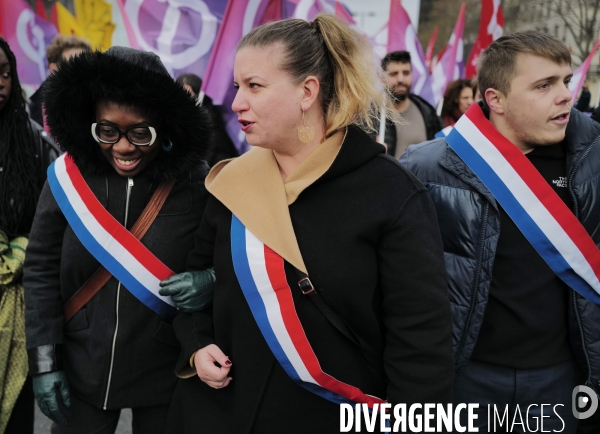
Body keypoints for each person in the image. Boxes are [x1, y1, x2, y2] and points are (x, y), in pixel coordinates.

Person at [164, 14, 453, 434]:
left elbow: (421, 342)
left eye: (254, 86)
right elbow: (194, 293)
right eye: (237, 86)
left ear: (307, 92)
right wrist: (196, 346)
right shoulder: (232, 181)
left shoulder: (392, 193)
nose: (237, 102)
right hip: (219, 413)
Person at [401, 31, 600, 433]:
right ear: (496, 100)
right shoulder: (425, 167)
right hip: (465, 376)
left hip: (564, 378)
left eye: (565, 80)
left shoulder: (592, 158)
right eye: (544, 85)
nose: (565, 95)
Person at [23, 47, 215, 434]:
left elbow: (226, 255)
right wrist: (45, 364)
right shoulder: (66, 178)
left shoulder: (196, 180)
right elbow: (40, 269)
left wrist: (212, 280)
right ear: (90, 122)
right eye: (107, 130)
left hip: (164, 371)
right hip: (81, 368)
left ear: (164, 127)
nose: (124, 147)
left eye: (140, 132)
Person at [0, 37, 60, 434]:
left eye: (5, 73)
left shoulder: (36, 144)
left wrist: (20, 249)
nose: (0, 83)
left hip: (16, 314)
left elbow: (51, 226)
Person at [379, 50, 443, 158]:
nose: (401, 79)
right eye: (394, 74)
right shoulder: (370, 116)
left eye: (406, 73)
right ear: (382, 78)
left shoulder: (427, 112)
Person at [176, 73, 239, 166]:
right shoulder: (174, 122)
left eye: (189, 94)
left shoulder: (212, 123)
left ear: (199, 95)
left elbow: (219, 158)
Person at [28, 34, 90, 127]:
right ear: (54, 70)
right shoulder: (32, 115)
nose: (81, 71)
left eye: (86, 64)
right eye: (73, 65)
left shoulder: (102, 102)